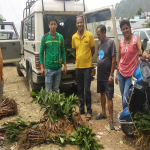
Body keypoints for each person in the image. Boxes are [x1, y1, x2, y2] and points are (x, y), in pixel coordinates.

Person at [115, 20, 149, 110]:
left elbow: (142, 51)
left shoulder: (136, 39)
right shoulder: (121, 41)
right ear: (121, 31)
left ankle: (128, 119)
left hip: (131, 75)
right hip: (121, 73)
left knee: (126, 100)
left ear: (130, 28)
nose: (125, 31)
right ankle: (125, 122)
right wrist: (116, 73)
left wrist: (146, 55)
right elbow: (119, 58)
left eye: (126, 28)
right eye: (123, 29)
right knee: (123, 97)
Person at [72, 15, 95, 121]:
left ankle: (89, 111)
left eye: (81, 22)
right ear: (76, 24)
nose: (79, 24)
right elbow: (74, 51)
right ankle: (81, 109)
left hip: (87, 67)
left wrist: (87, 60)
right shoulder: (74, 37)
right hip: (78, 67)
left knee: (87, 89)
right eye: (78, 23)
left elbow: (93, 50)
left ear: (83, 23)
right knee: (80, 89)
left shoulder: (89, 35)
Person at [95, 24, 116, 130]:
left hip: (107, 76)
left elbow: (113, 59)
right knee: (102, 94)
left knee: (109, 96)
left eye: (99, 35)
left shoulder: (110, 43)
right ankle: (103, 113)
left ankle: (111, 119)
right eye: (97, 35)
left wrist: (111, 76)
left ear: (104, 33)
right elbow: (100, 56)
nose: (98, 36)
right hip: (100, 75)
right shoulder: (100, 43)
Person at [39, 17, 67, 92]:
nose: (53, 26)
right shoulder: (44, 38)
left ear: (57, 25)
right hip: (49, 69)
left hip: (58, 69)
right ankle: (49, 104)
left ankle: (55, 103)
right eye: (51, 24)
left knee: (56, 90)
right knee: (48, 91)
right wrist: (42, 67)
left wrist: (65, 66)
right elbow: (41, 53)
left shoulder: (60, 37)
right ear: (49, 25)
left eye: (54, 24)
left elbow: (63, 51)